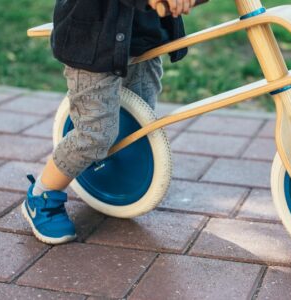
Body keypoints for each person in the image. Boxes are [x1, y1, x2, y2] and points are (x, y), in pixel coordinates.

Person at [22, 0, 195, 244]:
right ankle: (41, 194)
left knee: (137, 124)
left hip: (141, 35)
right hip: (92, 40)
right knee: (95, 134)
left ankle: (113, 181)